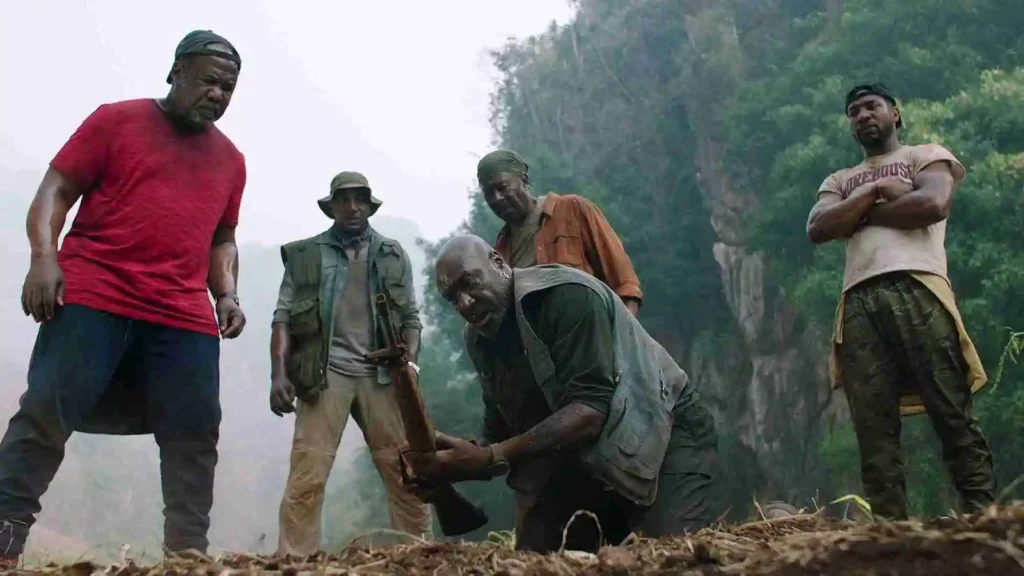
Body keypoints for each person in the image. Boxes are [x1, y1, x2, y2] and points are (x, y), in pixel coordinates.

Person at [0, 30, 247, 567]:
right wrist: (45, 258)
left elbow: (222, 237)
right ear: (176, 71)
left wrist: (225, 295)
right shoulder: (116, 120)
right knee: (45, 411)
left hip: (181, 308)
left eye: (228, 88)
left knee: (196, 430)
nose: (218, 95)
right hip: (96, 289)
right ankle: (4, 537)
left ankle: (186, 554)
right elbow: (55, 191)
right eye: (209, 81)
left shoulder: (231, 160)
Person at [407, 234, 718, 553]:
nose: (465, 303)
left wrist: (490, 456)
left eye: (469, 283)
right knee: (533, 561)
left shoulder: (566, 296)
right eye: (452, 298)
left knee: (674, 556)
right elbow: (502, 428)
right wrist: (450, 464)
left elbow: (592, 410)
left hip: (665, 431)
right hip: (587, 459)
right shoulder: (480, 339)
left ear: (499, 264)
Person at [806, 83, 995, 520]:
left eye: (873, 106)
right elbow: (818, 227)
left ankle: (983, 516)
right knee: (873, 425)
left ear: (896, 113)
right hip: (857, 301)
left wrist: (856, 216)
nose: (863, 115)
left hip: (920, 287)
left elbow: (932, 204)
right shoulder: (838, 180)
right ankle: (889, 532)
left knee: (951, 408)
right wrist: (874, 194)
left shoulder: (926, 154)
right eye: (854, 111)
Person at [270, 171, 431, 556]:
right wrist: (278, 375)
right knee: (308, 475)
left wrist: (410, 368)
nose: (352, 207)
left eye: (359, 199)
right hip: (326, 376)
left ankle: (421, 557)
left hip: (383, 377)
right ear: (332, 206)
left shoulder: (392, 254)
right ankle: (296, 560)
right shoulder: (306, 256)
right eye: (344, 199)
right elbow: (282, 317)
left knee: (407, 472)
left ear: (370, 205)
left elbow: (411, 318)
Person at [476, 149, 644, 316]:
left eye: (503, 187)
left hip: (592, 334)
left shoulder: (573, 210)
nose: (496, 198)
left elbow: (625, 284)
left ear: (524, 181)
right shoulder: (500, 251)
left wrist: (624, 335)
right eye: (489, 193)